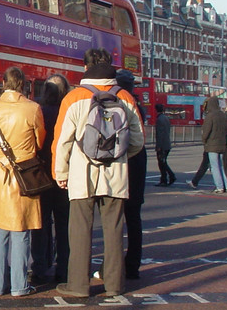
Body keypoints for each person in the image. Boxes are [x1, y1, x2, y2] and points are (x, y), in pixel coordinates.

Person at [52, 48, 144, 298]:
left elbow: (62, 141)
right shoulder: (125, 96)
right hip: (116, 175)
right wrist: (120, 156)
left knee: (80, 230)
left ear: (85, 68)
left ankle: (79, 285)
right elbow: (137, 139)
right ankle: (114, 284)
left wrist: (61, 172)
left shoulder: (74, 97)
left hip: (82, 174)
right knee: (114, 229)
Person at [0, 66, 45, 297]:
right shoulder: (33, 108)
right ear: (23, 85)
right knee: (21, 232)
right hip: (23, 176)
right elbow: (39, 140)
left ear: (3, 84)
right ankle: (19, 286)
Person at [30, 74, 70, 284]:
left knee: (41, 223)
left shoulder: (39, 112)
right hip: (64, 175)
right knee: (64, 225)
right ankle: (63, 269)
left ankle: (39, 268)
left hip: (42, 175)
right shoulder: (68, 112)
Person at [115, 69, 147, 280]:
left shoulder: (117, 105)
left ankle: (115, 266)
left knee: (115, 219)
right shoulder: (139, 108)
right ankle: (133, 264)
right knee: (134, 219)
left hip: (122, 165)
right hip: (138, 165)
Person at [202, 96, 227, 193]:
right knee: (222, 166)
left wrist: (204, 140)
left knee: (215, 166)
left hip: (212, 144)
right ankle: (226, 185)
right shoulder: (223, 115)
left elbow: (206, 131)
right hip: (222, 143)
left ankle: (219, 187)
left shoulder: (210, 116)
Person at [154, 104, 176, 186]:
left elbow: (159, 134)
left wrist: (158, 146)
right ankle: (166, 178)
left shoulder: (159, 119)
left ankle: (167, 178)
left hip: (162, 145)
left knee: (162, 163)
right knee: (163, 162)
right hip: (167, 143)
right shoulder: (166, 118)